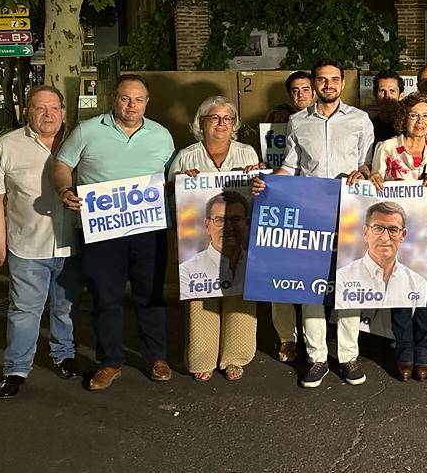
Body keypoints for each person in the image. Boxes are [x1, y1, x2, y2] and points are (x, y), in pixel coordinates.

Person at [53, 74, 176, 391]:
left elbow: (173, 176)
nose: (131, 105)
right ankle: (109, 362)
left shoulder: (161, 136)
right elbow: (62, 164)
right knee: (105, 298)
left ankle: (156, 357)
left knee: (150, 296)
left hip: (148, 231)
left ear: (147, 102)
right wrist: (64, 189)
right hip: (101, 231)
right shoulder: (89, 130)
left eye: (138, 99)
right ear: (114, 99)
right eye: (125, 98)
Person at [271, 60, 374, 388]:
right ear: (314, 84)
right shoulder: (297, 122)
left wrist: (366, 172)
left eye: (334, 79)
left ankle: (347, 355)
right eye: (322, 79)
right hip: (311, 211)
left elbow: (368, 164)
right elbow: (290, 166)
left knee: (349, 283)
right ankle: (316, 358)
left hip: (350, 210)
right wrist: (267, 184)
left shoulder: (360, 119)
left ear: (342, 83)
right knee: (309, 285)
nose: (328, 84)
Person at [0, 86, 81, 399]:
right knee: (25, 311)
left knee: (64, 308)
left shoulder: (81, 142)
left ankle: (63, 356)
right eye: (40, 108)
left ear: (63, 111)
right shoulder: (7, 146)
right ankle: (16, 369)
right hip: (27, 245)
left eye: (54, 108)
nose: (48, 115)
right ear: (27, 111)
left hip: (72, 244)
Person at [169, 95, 260, 382]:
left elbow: (261, 192)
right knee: (202, 295)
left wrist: (257, 180)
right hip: (201, 240)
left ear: (234, 125)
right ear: (201, 123)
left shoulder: (247, 153)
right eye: (214, 118)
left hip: (239, 238)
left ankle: (236, 357)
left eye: (227, 119)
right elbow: (170, 191)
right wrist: (181, 180)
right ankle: (202, 357)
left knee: (240, 295)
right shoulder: (186, 155)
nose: (221, 124)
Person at [369, 92, 427, 382]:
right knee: (400, 296)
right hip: (395, 236)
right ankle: (404, 352)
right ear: (403, 117)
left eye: (426, 115)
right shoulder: (387, 148)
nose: (420, 121)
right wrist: (375, 180)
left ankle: (424, 353)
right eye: (414, 114)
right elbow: (374, 188)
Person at [271, 70, 316, 364]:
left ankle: (318, 336)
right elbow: (282, 164)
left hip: (318, 205)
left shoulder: (339, 122)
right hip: (288, 202)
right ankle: (288, 337)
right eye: (295, 90)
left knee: (316, 279)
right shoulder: (282, 121)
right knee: (282, 276)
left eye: (305, 89)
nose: (301, 95)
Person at [370, 70, 404, 143]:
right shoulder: (369, 127)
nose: (387, 96)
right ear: (375, 95)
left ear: (401, 95)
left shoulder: (408, 126)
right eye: (382, 91)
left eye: (392, 91)